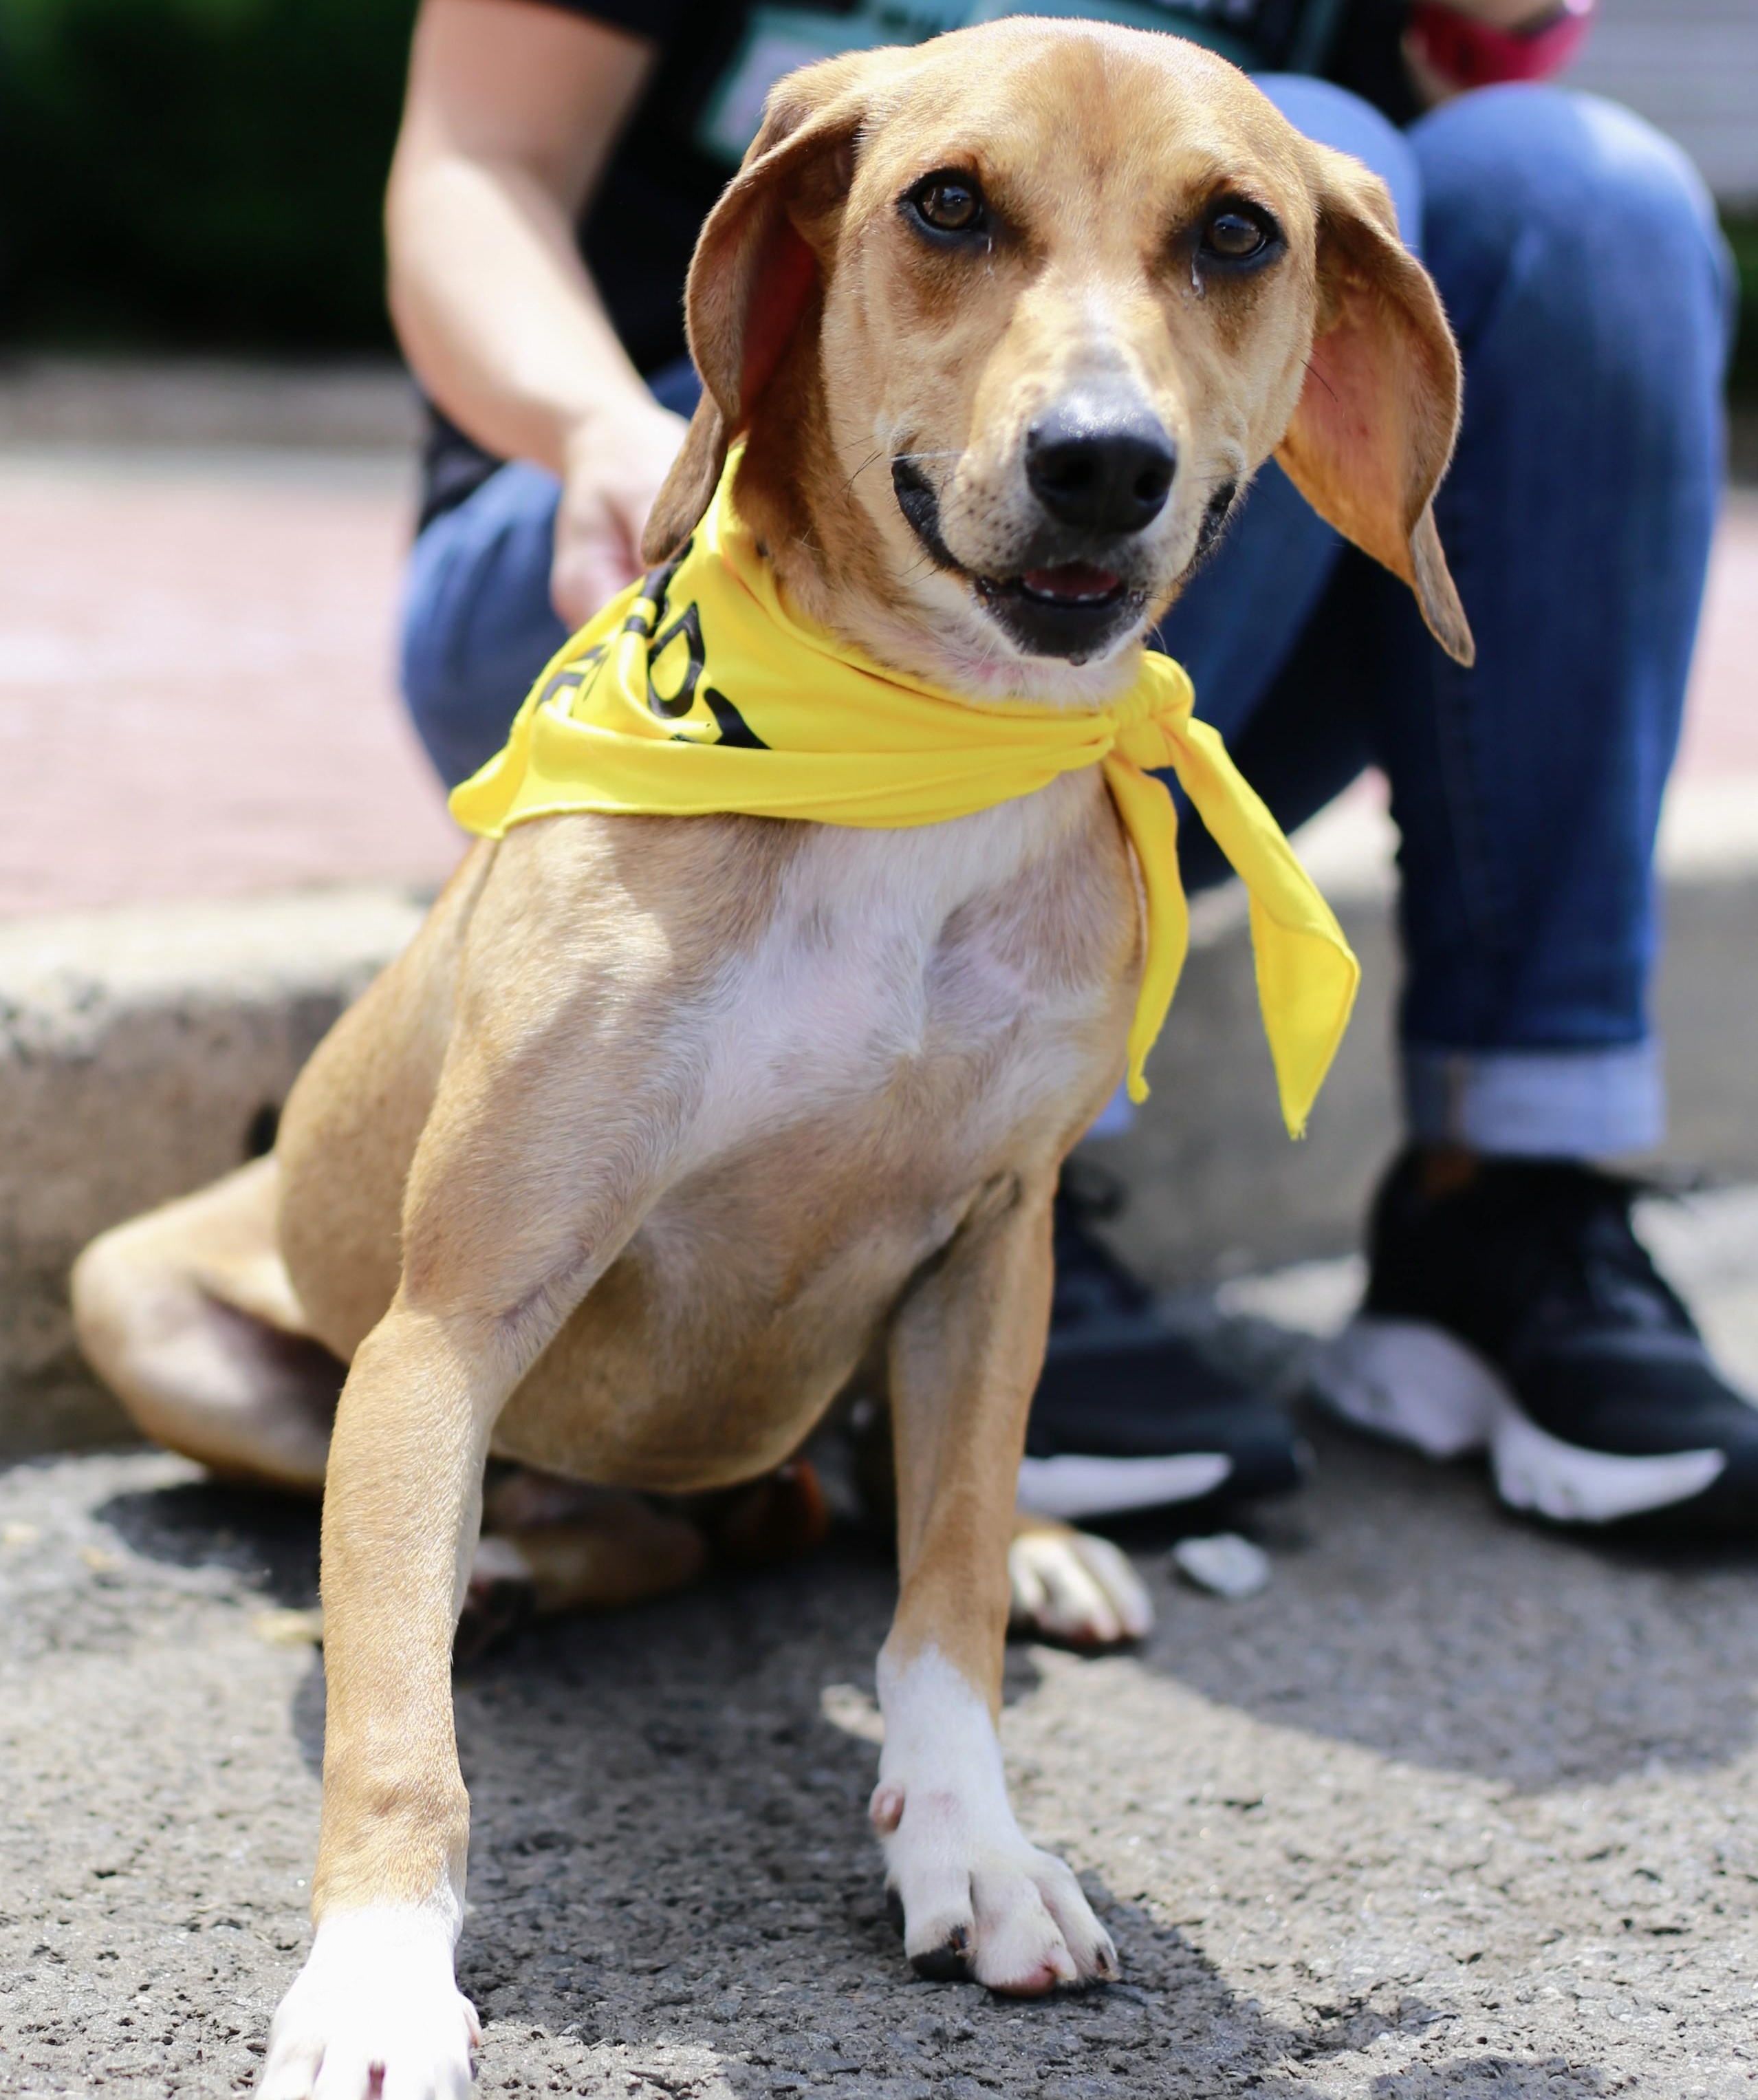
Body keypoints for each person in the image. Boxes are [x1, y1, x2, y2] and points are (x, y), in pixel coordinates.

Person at [384, 0, 1752, 1530]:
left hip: (1136, 619)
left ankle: (1507, 1200)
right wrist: (589, 429)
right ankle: (1010, 1206)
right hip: (640, 527)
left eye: (1217, 243)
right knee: (1324, 134)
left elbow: (1437, 156)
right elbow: (476, 163)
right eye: (955, 211)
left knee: (1582, 202)